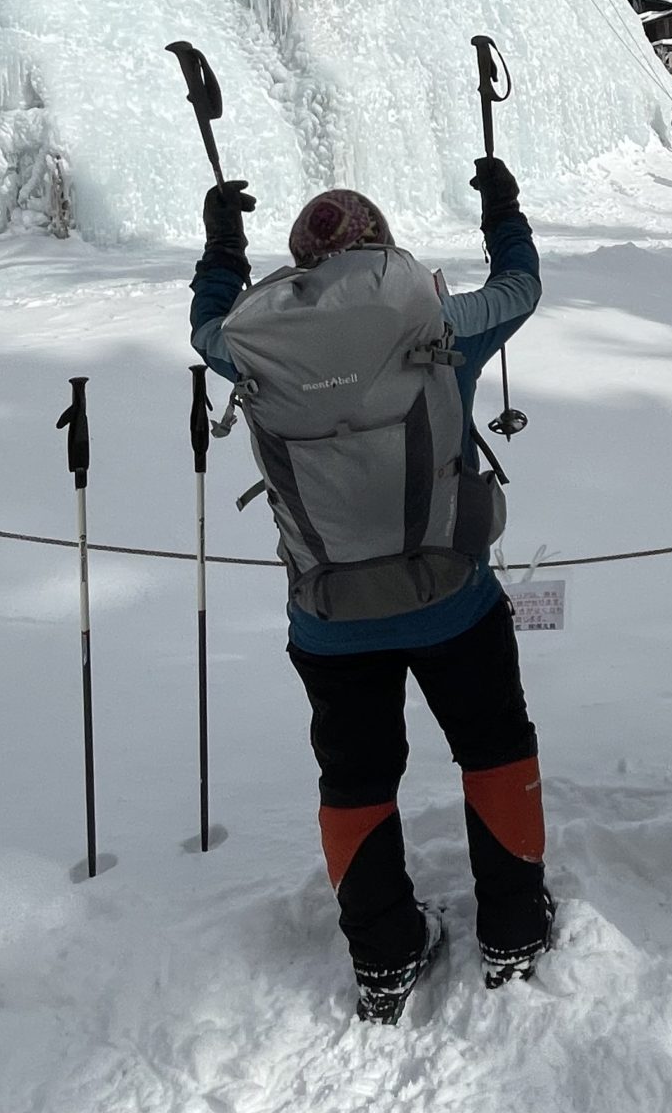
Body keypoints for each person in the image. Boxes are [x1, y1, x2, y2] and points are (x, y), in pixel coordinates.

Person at [189, 159, 552, 1025]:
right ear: (382, 246)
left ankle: (384, 955)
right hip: (453, 597)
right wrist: (502, 210)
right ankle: (512, 927)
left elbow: (203, 324)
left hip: (329, 616)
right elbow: (522, 288)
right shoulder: (437, 322)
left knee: (355, 774)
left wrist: (223, 246)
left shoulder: (252, 342)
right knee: (493, 746)